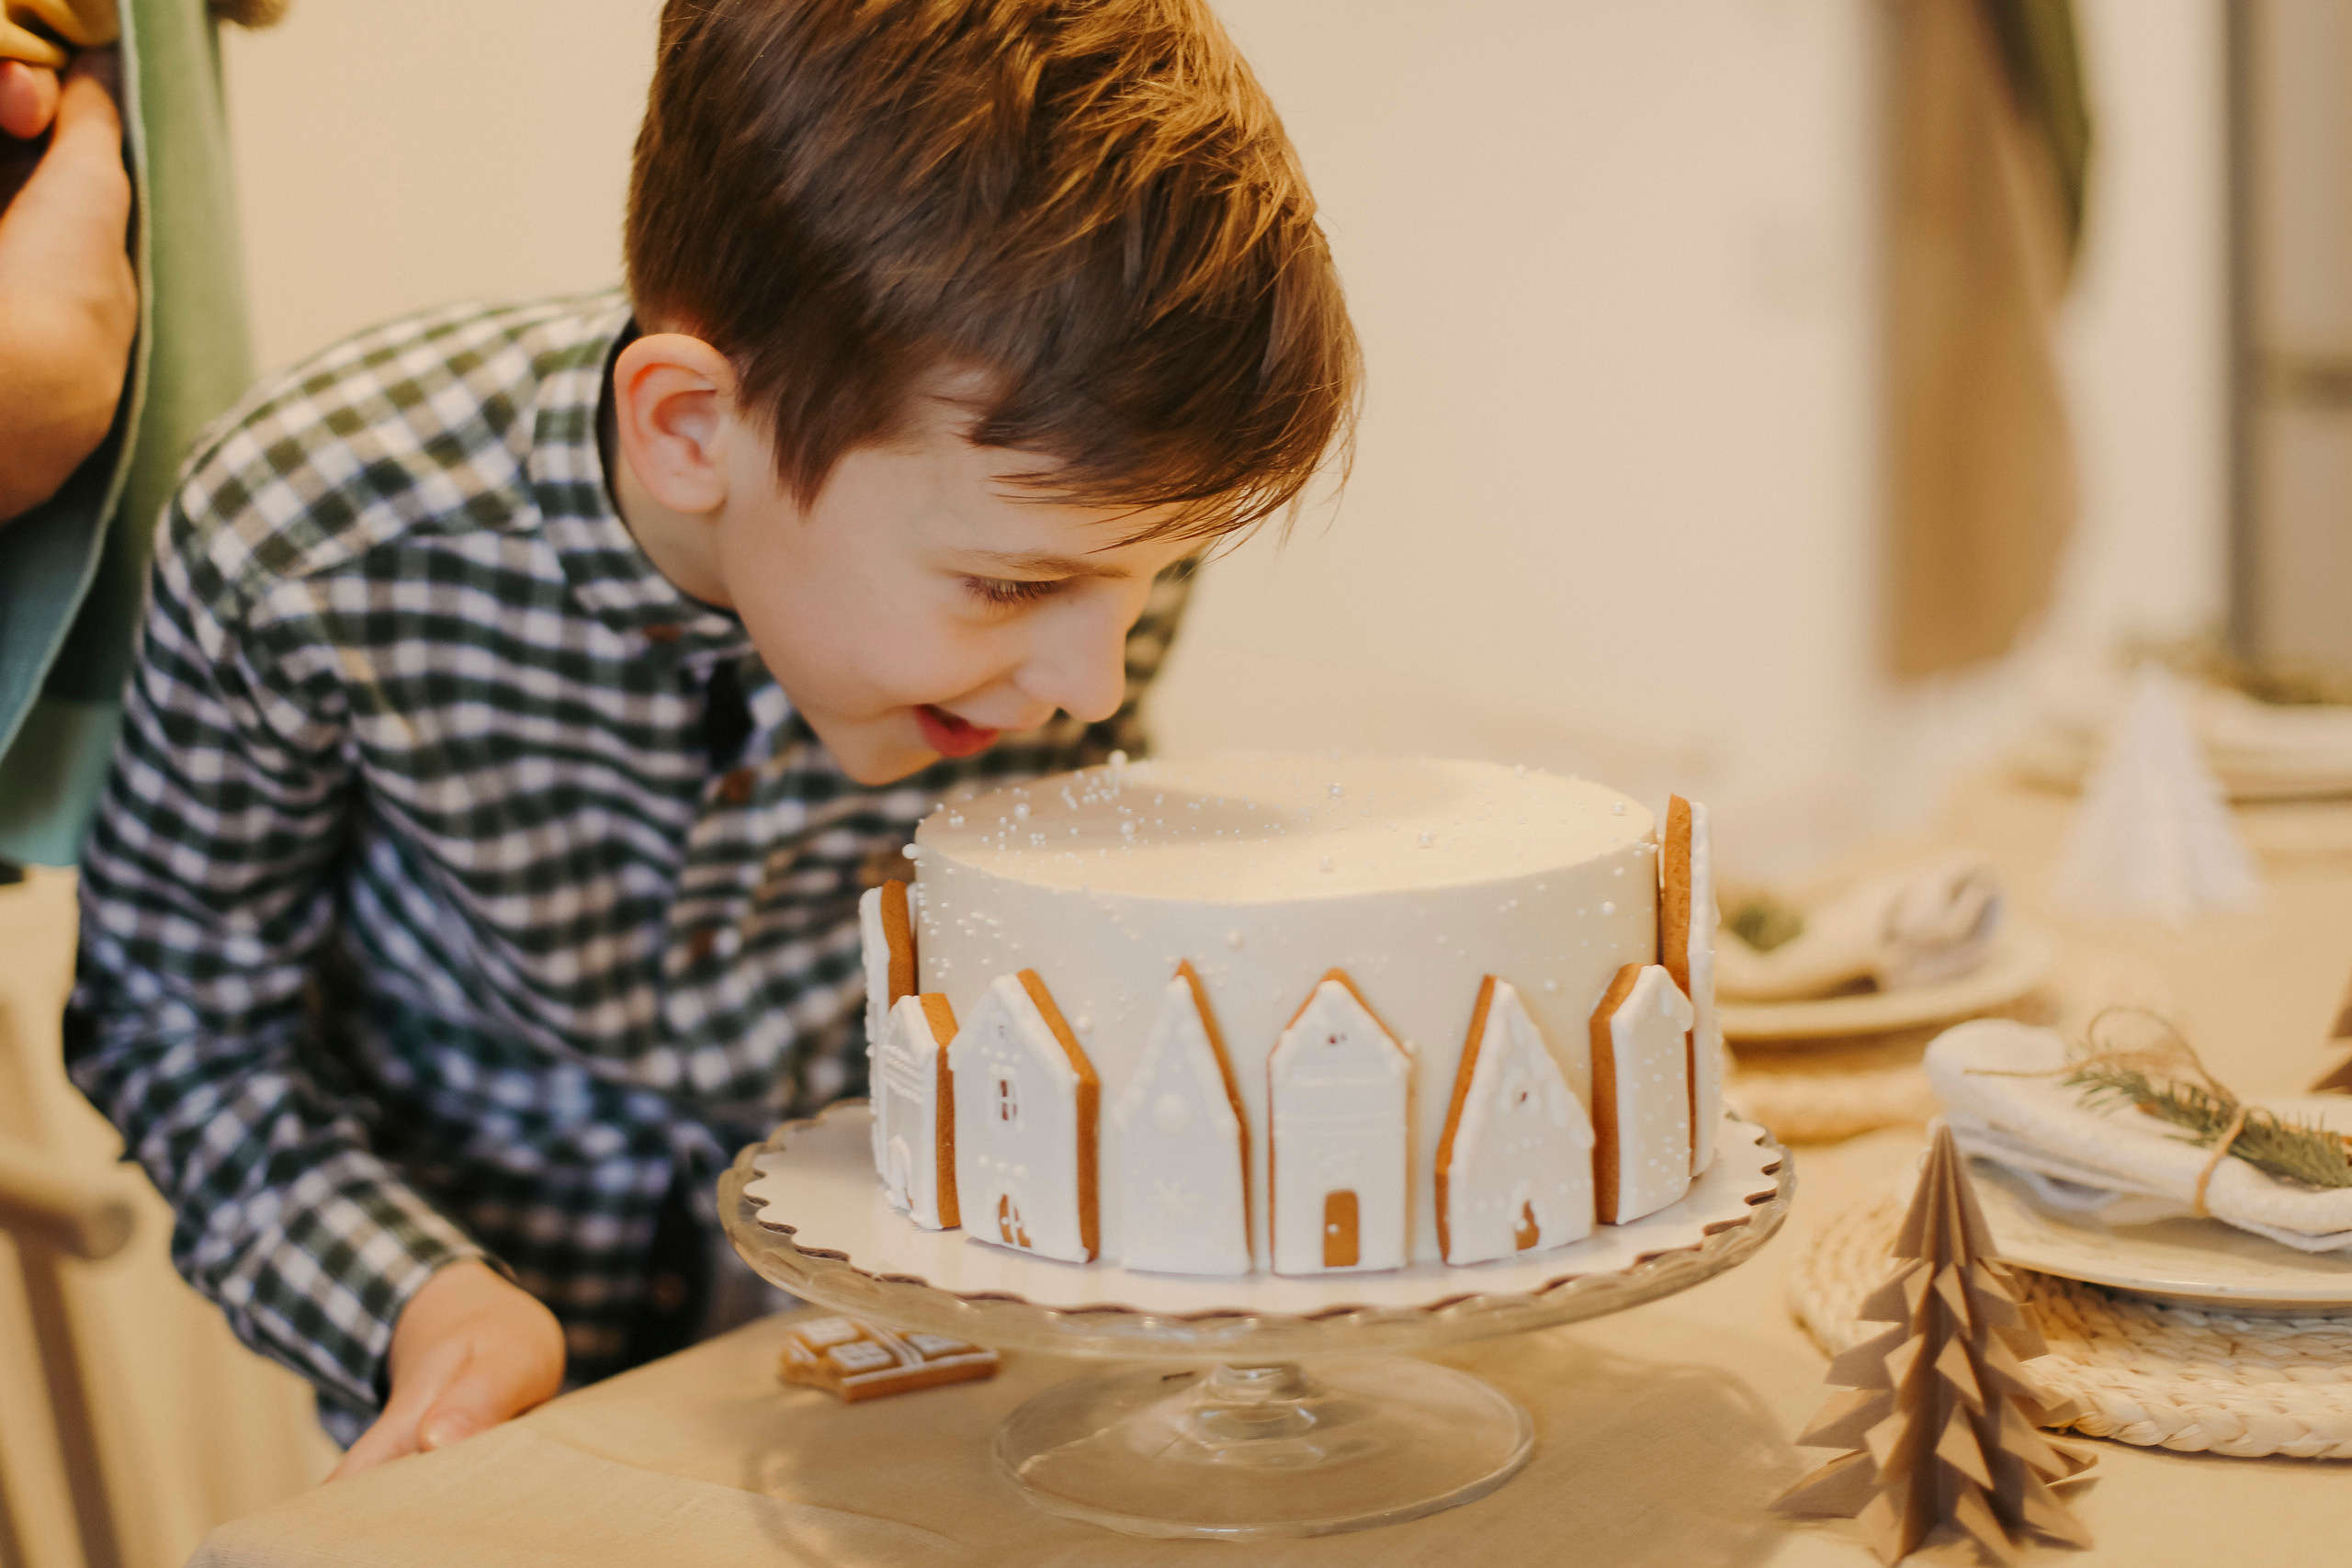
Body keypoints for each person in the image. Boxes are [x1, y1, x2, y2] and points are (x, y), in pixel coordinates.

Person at [66, 0, 1359, 1477]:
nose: (1093, 688)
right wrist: (418, 1308)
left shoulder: (1066, 534)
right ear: (690, 430)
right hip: (496, 1421)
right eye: (1013, 584)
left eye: (1144, 582)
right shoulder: (305, 551)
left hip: (904, 1394)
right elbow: (178, 1025)